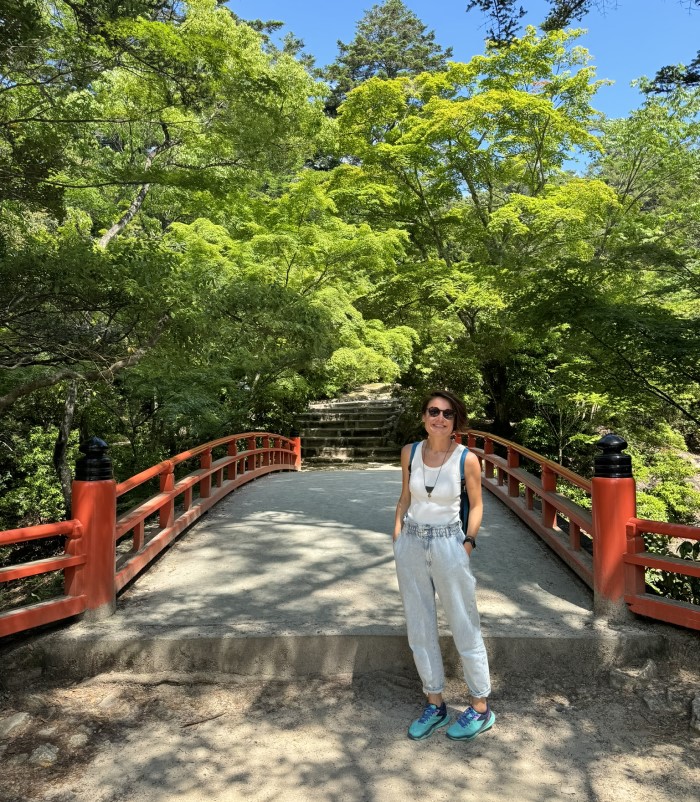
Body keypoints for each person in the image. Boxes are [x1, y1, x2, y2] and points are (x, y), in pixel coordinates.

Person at [393, 390, 495, 741]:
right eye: (433, 411)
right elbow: (406, 496)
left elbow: (477, 504)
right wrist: (397, 536)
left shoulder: (466, 459)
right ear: (424, 416)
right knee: (419, 625)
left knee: (464, 622)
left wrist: (467, 543)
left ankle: (480, 706)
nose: (440, 418)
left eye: (447, 414)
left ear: (456, 422)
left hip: (450, 542)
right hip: (411, 541)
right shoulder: (410, 453)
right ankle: (434, 703)